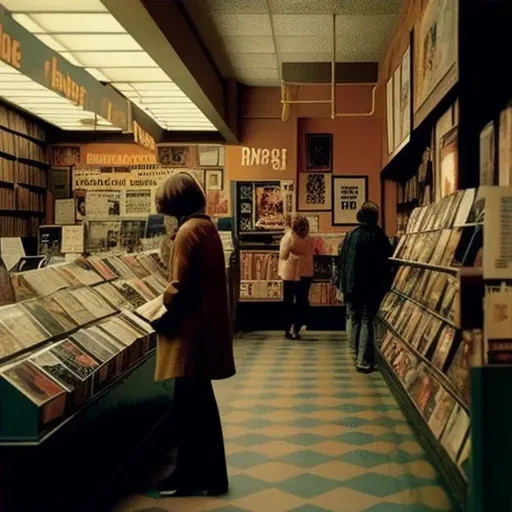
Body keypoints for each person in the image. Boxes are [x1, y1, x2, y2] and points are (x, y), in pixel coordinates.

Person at [154, 172, 236, 497]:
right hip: (204, 331)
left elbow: (178, 286)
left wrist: (157, 308)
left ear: (175, 202)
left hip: (188, 335)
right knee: (198, 407)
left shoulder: (187, 232)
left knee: (190, 410)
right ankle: (206, 475)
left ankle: (192, 476)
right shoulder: (207, 226)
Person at [337, 201, 392, 372]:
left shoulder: (351, 234)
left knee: (354, 317)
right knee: (367, 319)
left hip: (352, 285)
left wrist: (343, 285)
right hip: (370, 286)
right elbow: (386, 259)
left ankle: (354, 351)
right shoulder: (377, 235)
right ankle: (363, 360)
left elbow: (343, 261)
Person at [278, 215, 317, 339]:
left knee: (288, 301)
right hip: (306, 272)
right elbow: (313, 251)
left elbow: (283, 255)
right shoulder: (310, 239)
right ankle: (297, 327)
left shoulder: (288, 237)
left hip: (290, 272)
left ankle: (287, 329)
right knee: (303, 300)